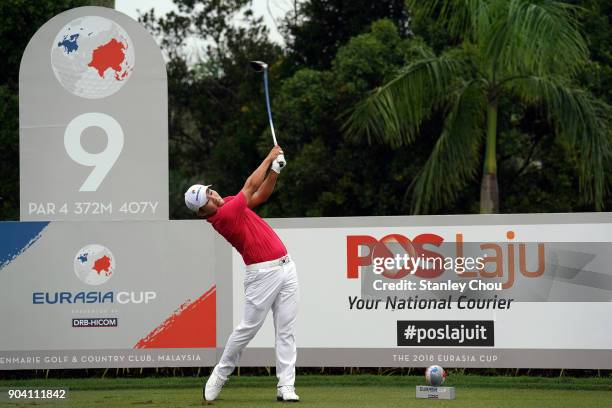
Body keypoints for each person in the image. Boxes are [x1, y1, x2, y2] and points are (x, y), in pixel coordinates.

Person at [184, 146, 299, 402]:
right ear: (203, 211)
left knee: (286, 330)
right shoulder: (223, 215)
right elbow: (249, 187)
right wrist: (269, 158)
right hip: (262, 275)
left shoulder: (227, 203)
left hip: (286, 267)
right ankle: (220, 374)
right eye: (208, 199)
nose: (214, 196)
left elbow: (259, 197)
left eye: (210, 191)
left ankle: (286, 386)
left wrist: (275, 172)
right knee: (247, 329)